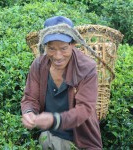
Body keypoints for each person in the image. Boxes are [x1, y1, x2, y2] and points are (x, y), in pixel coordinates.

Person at [21, 16, 103, 150]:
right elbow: (30, 97)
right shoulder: (39, 65)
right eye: (51, 49)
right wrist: (29, 112)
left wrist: (55, 120)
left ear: (73, 44)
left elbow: (85, 109)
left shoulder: (87, 68)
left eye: (64, 48)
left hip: (80, 141)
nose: (58, 56)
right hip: (49, 135)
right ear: (45, 46)